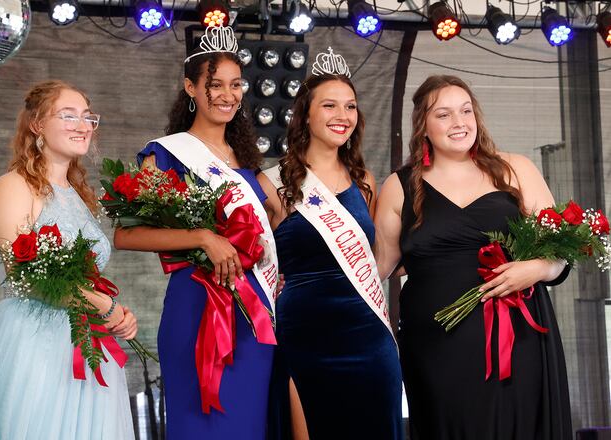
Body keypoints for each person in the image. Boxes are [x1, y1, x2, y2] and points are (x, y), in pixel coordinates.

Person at [374, 74, 572, 439]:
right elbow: (377, 268)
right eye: (444, 114)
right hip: (435, 347)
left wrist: (535, 268)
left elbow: (561, 253)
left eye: (466, 111)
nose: (459, 122)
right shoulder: (399, 185)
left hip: (518, 339)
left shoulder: (515, 168)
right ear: (423, 125)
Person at [112, 26, 277, 440]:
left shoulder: (246, 160)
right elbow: (126, 235)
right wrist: (203, 237)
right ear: (190, 87)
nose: (227, 94)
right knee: (199, 424)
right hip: (196, 302)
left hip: (252, 307)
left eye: (236, 85)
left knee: (247, 424)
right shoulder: (165, 152)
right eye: (215, 84)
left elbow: (276, 218)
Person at [260, 48, 403, 440]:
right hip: (306, 335)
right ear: (305, 113)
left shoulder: (365, 182)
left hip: (367, 333)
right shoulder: (271, 183)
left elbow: (378, 258)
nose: (343, 116)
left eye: (351, 106)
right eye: (330, 105)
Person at [0, 80, 136, 439]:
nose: (83, 126)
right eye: (68, 116)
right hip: (36, 339)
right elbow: (23, 274)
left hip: (88, 340)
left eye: (88, 117)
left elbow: (87, 278)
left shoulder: (79, 194)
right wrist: (103, 304)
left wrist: (118, 313)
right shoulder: (12, 186)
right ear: (36, 124)